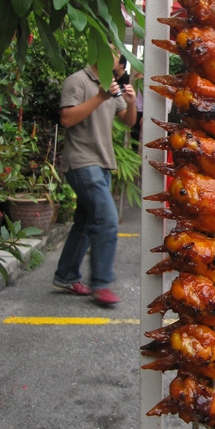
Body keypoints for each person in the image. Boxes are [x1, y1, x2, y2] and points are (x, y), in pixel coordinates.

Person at [52, 51, 137, 306]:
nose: (117, 59)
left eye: (117, 55)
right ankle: (101, 284)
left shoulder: (111, 85)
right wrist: (100, 97)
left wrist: (131, 102)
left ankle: (66, 275)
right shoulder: (77, 81)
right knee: (107, 218)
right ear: (98, 53)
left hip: (102, 164)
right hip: (81, 162)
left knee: (86, 222)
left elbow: (128, 121)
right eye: (112, 51)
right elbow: (67, 119)